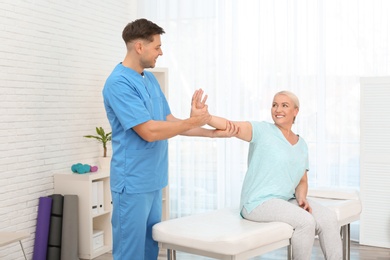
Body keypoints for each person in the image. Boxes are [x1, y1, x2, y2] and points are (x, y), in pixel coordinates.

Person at [102, 18, 238, 260]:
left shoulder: (150, 79)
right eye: (157, 47)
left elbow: (169, 121)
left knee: (150, 248)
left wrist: (210, 132)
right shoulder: (118, 83)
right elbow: (149, 131)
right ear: (139, 47)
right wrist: (193, 122)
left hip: (153, 180)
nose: (161, 52)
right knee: (130, 253)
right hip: (132, 182)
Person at [205, 90, 342, 260]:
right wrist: (207, 118)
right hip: (258, 202)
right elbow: (230, 125)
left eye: (284, 105)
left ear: (296, 111)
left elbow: (302, 180)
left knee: (328, 218)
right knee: (305, 222)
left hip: (286, 200)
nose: (278, 109)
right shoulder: (262, 130)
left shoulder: (302, 144)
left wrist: (301, 198)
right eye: (275, 105)